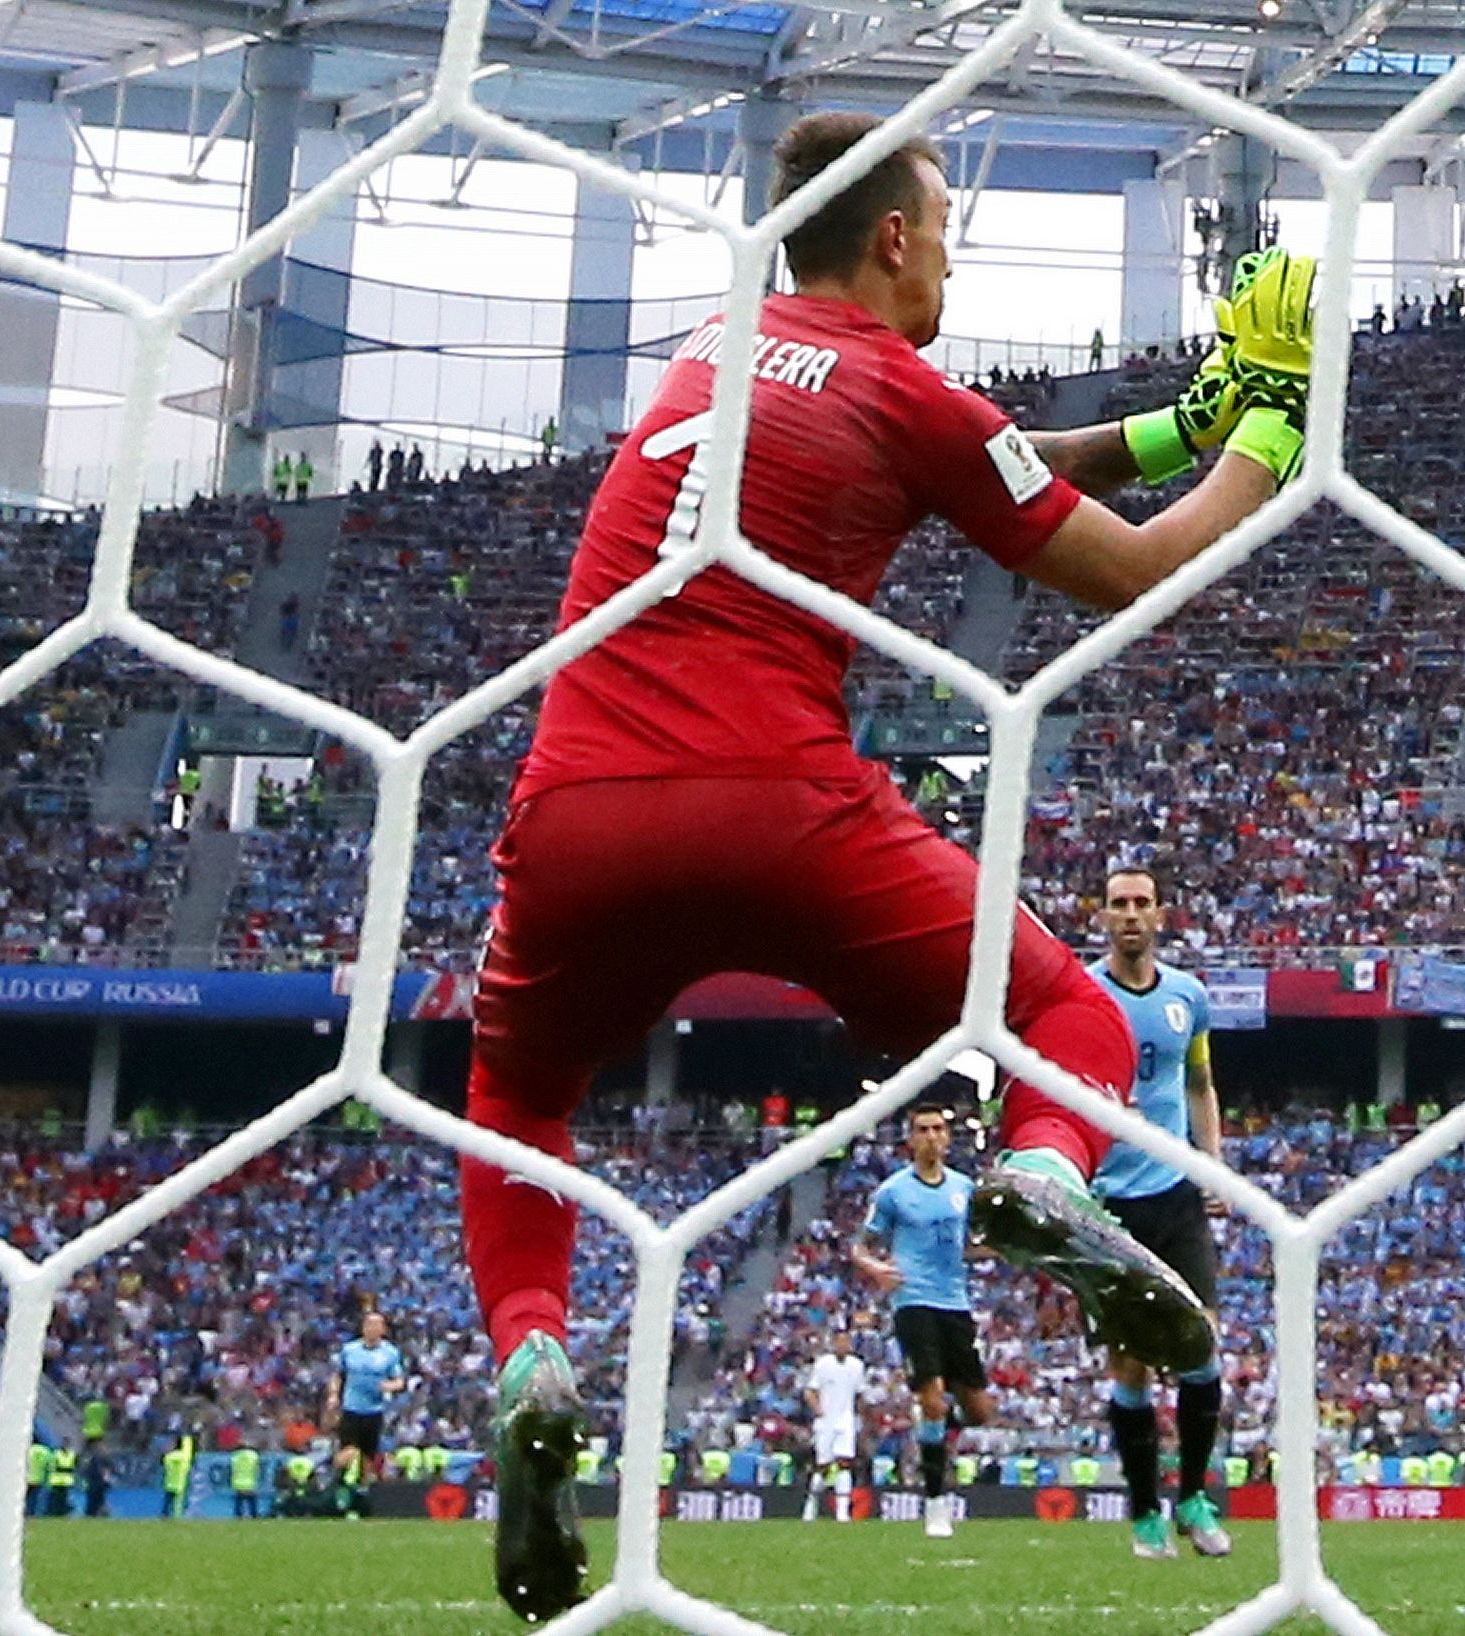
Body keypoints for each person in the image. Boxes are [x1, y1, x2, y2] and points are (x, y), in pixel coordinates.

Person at [456, 109, 1314, 1620]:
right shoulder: (898, 386)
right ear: (899, 240)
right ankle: (1043, 1175)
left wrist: (1181, 422)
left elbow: (966, 458)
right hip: (776, 806)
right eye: (948, 243)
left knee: (517, 1103)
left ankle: (531, 1348)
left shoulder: (709, 361)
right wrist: (1271, 435)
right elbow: (1112, 566)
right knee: (1067, 1019)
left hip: (578, 804)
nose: (952, 275)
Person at [1086, 868, 1233, 1560]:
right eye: (1120, 905)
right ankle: (1146, 1513)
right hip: (1110, 1205)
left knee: (1203, 1350)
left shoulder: (1187, 998)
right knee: (1132, 1368)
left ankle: (1195, 1498)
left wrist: (1212, 1163)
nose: (1132, 915)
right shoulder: (1083, 996)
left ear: (1161, 914)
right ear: (1103, 916)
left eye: (1143, 903)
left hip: (1176, 1197)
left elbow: (1200, 1084)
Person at [852, 1104, 995, 1541]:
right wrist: (874, 1268)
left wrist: (998, 1253)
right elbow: (860, 1245)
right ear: (910, 1139)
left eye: (938, 1129)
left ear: (949, 1138)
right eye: (923, 1130)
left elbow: (967, 1245)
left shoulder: (965, 1189)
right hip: (913, 1302)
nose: (932, 1136)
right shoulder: (894, 1191)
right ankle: (935, 1503)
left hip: (956, 1303)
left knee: (979, 1411)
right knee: (931, 1397)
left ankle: (936, 1430)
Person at [325, 1310, 407, 1510]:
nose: (372, 1328)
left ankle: (359, 1497)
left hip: (374, 1411)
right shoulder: (350, 1350)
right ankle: (334, 1477)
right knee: (349, 1451)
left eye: (377, 1325)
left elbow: (399, 1381)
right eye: (369, 1324)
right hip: (352, 1409)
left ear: (383, 1329)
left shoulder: (390, 1353)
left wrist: (390, 1386)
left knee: (368, 1458)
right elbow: (337, 1375)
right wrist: (334, 1395)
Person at [802, 1329, 869, 1523]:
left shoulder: (857, 1366)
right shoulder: (823, 1364)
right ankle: (811, 1504)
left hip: (845, 1420)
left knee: (844, 1463)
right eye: (839, 1342)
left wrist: (860, 1418)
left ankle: (842, 1511)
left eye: (846, 1342)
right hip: (826, 1421)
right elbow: (810, 1392)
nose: (842, 1346)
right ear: (833, 1344)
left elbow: (860, 1394)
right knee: (823, 1466)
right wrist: (819, 1410)